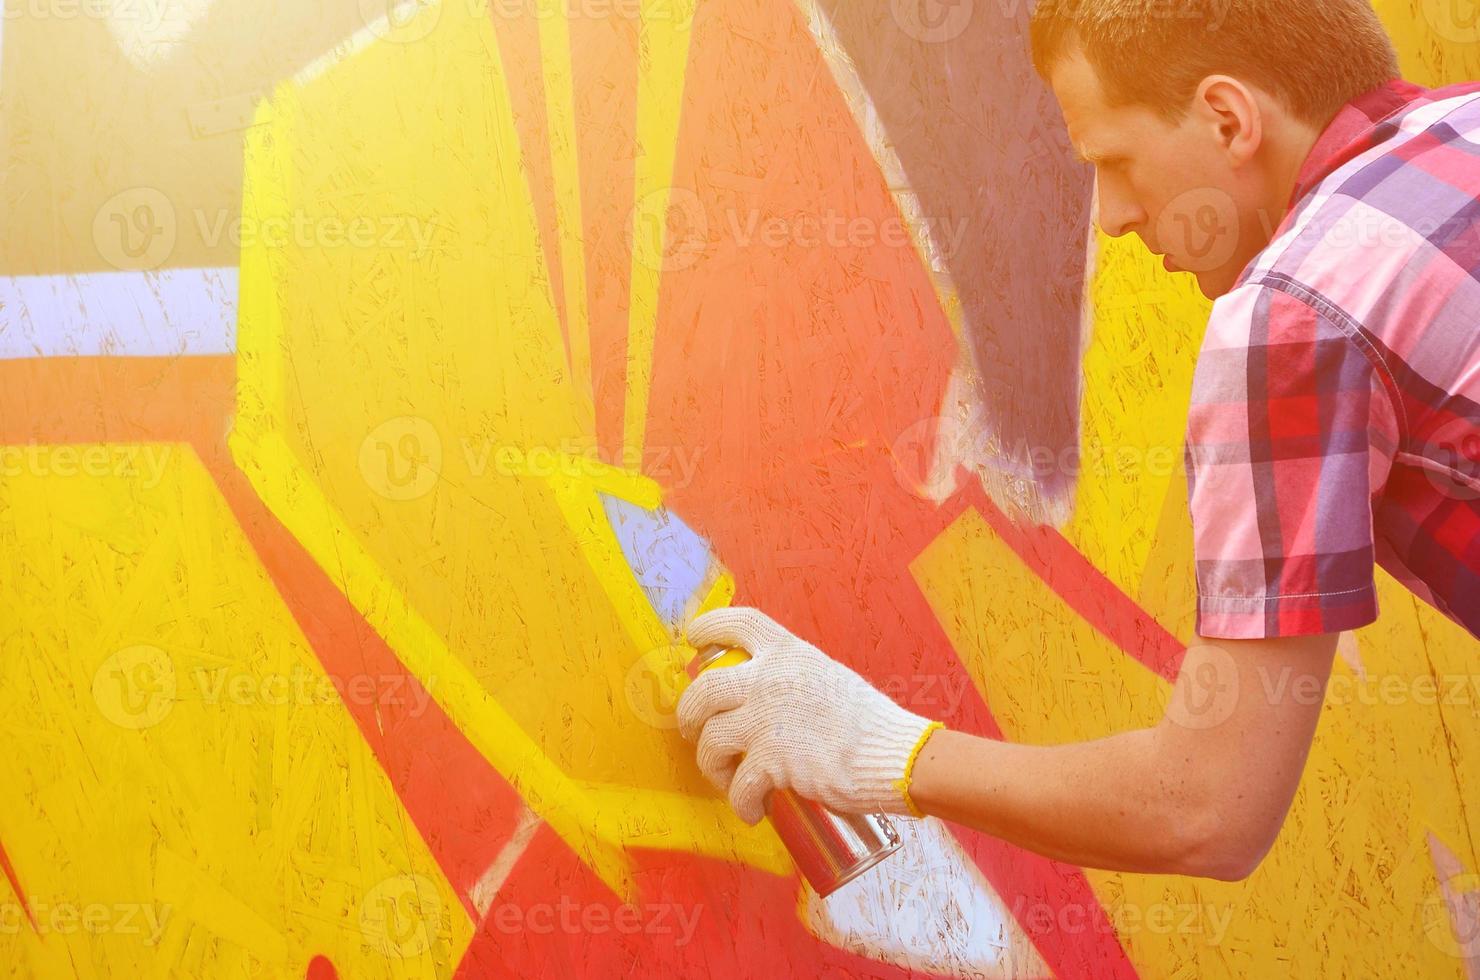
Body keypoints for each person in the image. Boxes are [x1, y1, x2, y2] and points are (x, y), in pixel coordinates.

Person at [676, 0, 1480, 881]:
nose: (1111, 217)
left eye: (1116, 161)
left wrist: (879, 746)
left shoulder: (1296, 321)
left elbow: (1206, 810)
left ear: (1227, 118)